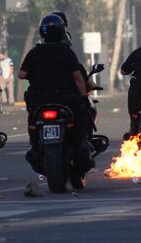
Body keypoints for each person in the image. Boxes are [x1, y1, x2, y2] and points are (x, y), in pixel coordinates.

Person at [18, 14, 91, 173]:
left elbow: (21, 74)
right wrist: (84, 97)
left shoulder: (35, 52)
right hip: (64, 98)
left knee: (33, 120)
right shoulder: (66, 52)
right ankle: (82, 143)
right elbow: (78, 77)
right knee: (82, 114)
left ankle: (35, 145)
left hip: (39, 100)